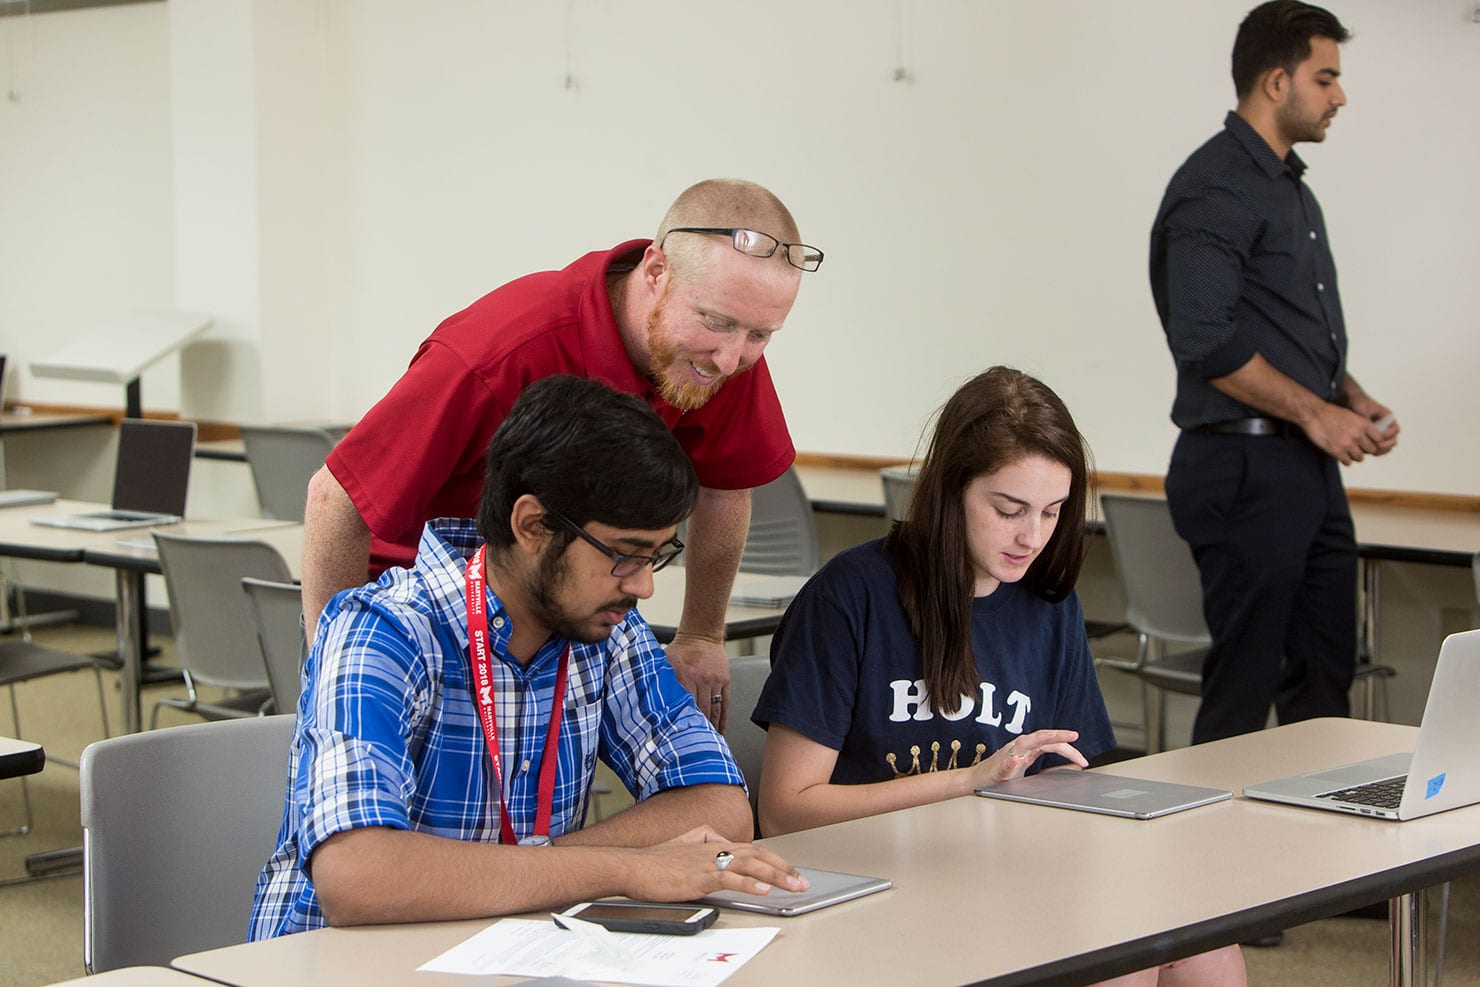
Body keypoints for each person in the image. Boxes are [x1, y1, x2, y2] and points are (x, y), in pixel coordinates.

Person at [249, 376, 807, 939]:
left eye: (655, 557)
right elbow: (357, 877)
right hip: (336, 962)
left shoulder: (605, 628)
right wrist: (626, 866)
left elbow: (721, 807)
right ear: (533, 526)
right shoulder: (382, 631)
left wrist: (525, 872)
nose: (642, 587)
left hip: (508, 945)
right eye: (624, 556)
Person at [751, 367, 1246, 986]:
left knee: (1207, 947)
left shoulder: (1049, 604)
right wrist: (970, 783)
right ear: (950, 490)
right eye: (1009, 509)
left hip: (1000, 873)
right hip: (873, 882)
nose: (1033, 536)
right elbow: (785, 813)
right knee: (1122, 973)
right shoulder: (849, 597)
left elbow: (1069, 782)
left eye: (1053, 511)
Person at [302, 178, 823, 731]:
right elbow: (335, 499)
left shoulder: (719, 351)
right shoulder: (497, 354)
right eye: (716, 323)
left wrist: (700, 635)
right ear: (656, 271)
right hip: (420, 616)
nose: (731, 358)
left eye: (761, 335)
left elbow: (726, 484)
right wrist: (341, 669)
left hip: (565, 603)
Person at [1149, 0, 1397, 746]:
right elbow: (1205, 339)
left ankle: (1326, 857)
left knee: (1325, 673)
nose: (1340, 96)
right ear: (1276, 80)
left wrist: (1347, 395)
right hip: (1243, 463)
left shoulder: (1289, 188)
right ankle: (1209, 862)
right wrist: (1316, 412)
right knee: (1245, 685)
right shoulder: (1215, 188)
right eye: (1327, 78)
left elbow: (1285, 328)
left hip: (1302, 464)